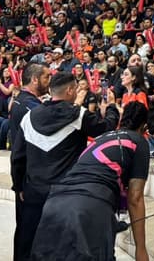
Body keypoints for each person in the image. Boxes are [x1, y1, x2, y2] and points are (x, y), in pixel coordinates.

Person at [11, 71, 120, 261]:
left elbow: (18, 157)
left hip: (34, 193)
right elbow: (106, 128)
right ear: (70, 90)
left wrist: (19, 185)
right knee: (66, 249)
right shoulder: (78, 115)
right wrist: (111, 107)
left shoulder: (29, 118)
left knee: (27, 242)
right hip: (67, 196)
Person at [29, 102, 150, 261]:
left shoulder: (101, 138)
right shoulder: (138, 141)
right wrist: (141, 249)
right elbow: (135, 198)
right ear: (144, 127)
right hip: (90, 206)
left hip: (54, 203)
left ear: (122, 119)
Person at [8, 63, 51, 261]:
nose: (48, 81)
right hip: (29, 179)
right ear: (34, 79)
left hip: (25, 177)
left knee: (25, 230)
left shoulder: (20, 101)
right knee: (30, 231)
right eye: (46, 77)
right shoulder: (30, 107)